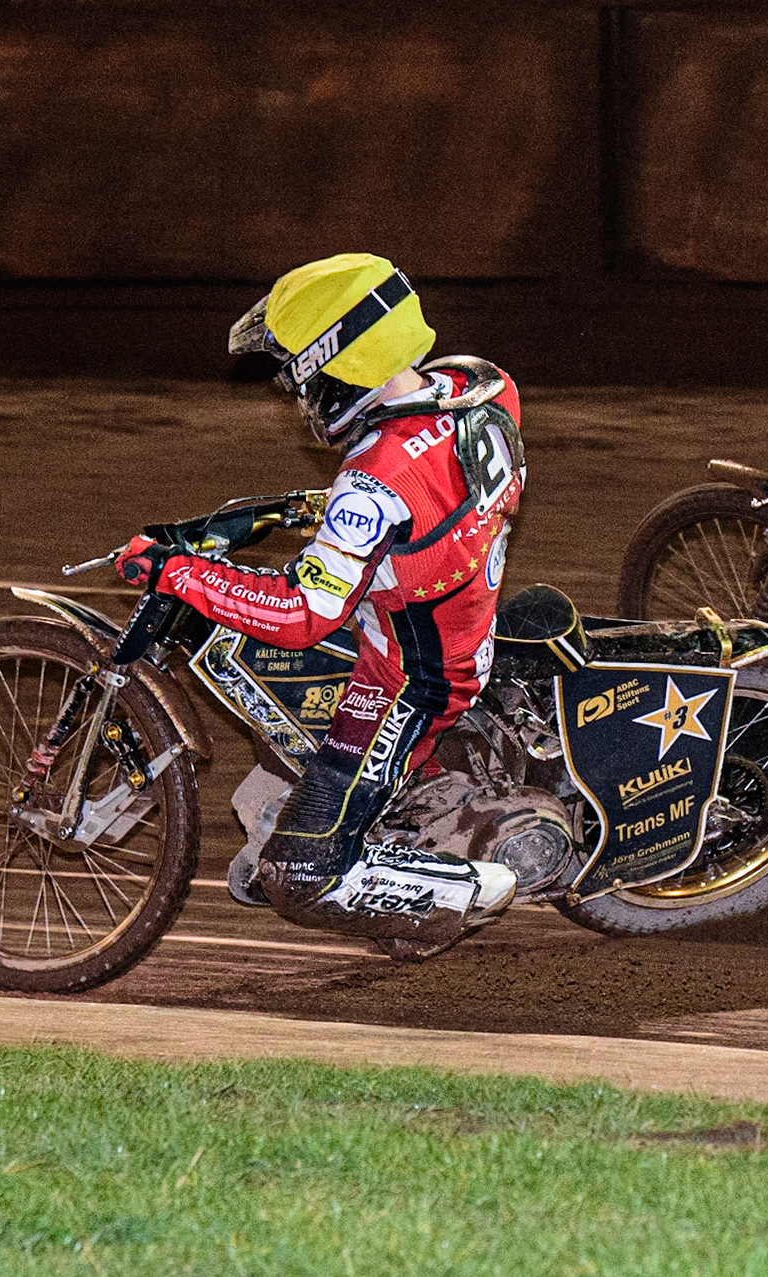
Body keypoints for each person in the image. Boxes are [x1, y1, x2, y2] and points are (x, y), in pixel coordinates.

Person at [113, 253, 520, 950]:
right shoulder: (478, 385)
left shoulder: (372, 481)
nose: (292, 389)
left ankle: (472, 885)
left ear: (334, 366)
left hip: (408, 678)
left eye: (295, 369)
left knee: (294, 872)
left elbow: (303, 614)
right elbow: (415, 504)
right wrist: (280, 516)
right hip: (450, 603)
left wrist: (179, 574)